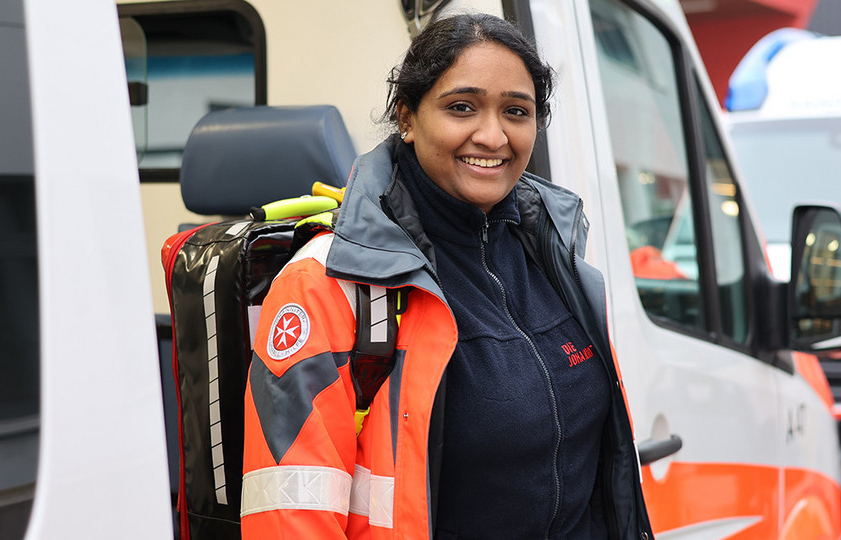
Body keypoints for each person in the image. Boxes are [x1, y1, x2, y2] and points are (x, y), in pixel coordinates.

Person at [241, 12, 653, 540]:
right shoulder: (329, 282)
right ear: (406, 118)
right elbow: (292, 517)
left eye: (516, 111)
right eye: (462, 107)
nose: (492, 135)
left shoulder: (555, 257)